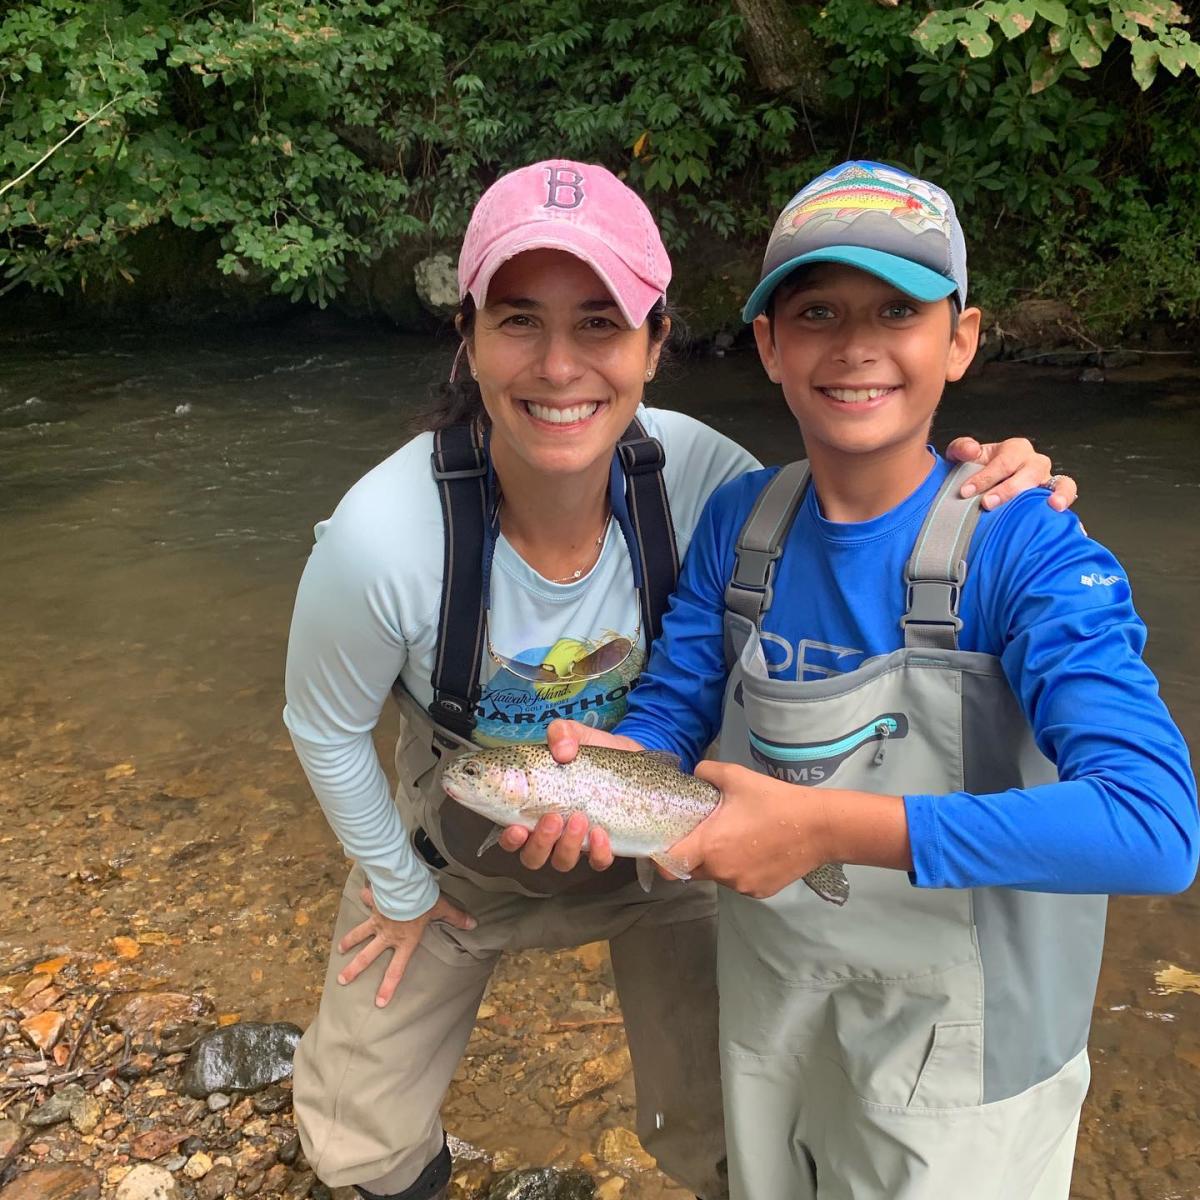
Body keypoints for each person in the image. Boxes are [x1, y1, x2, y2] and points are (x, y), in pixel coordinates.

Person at [282, 158, 1076, 1200]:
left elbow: (858, 545)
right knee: (355, 1141)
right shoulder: (380, 537)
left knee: (728, 1131)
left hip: (676, 848)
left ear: (658, 345)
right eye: (520, 321)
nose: (560, 367)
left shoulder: (710, 479)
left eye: (602, 324)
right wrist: (396, 884)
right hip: (458, 858)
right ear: (467, 338)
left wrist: (994, 489)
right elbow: (324, 728)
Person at [536, 160, 1199, 1200]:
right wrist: (615, 775)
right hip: (775, 1013)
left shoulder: (1031, 552)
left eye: (898, 308)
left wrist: (828, 829)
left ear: (961, 339)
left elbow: (1157, 831)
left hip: (973, 1064)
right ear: (768, 344)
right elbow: (672, 713)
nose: (855, 346)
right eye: (816, 311)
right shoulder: (740, 525)